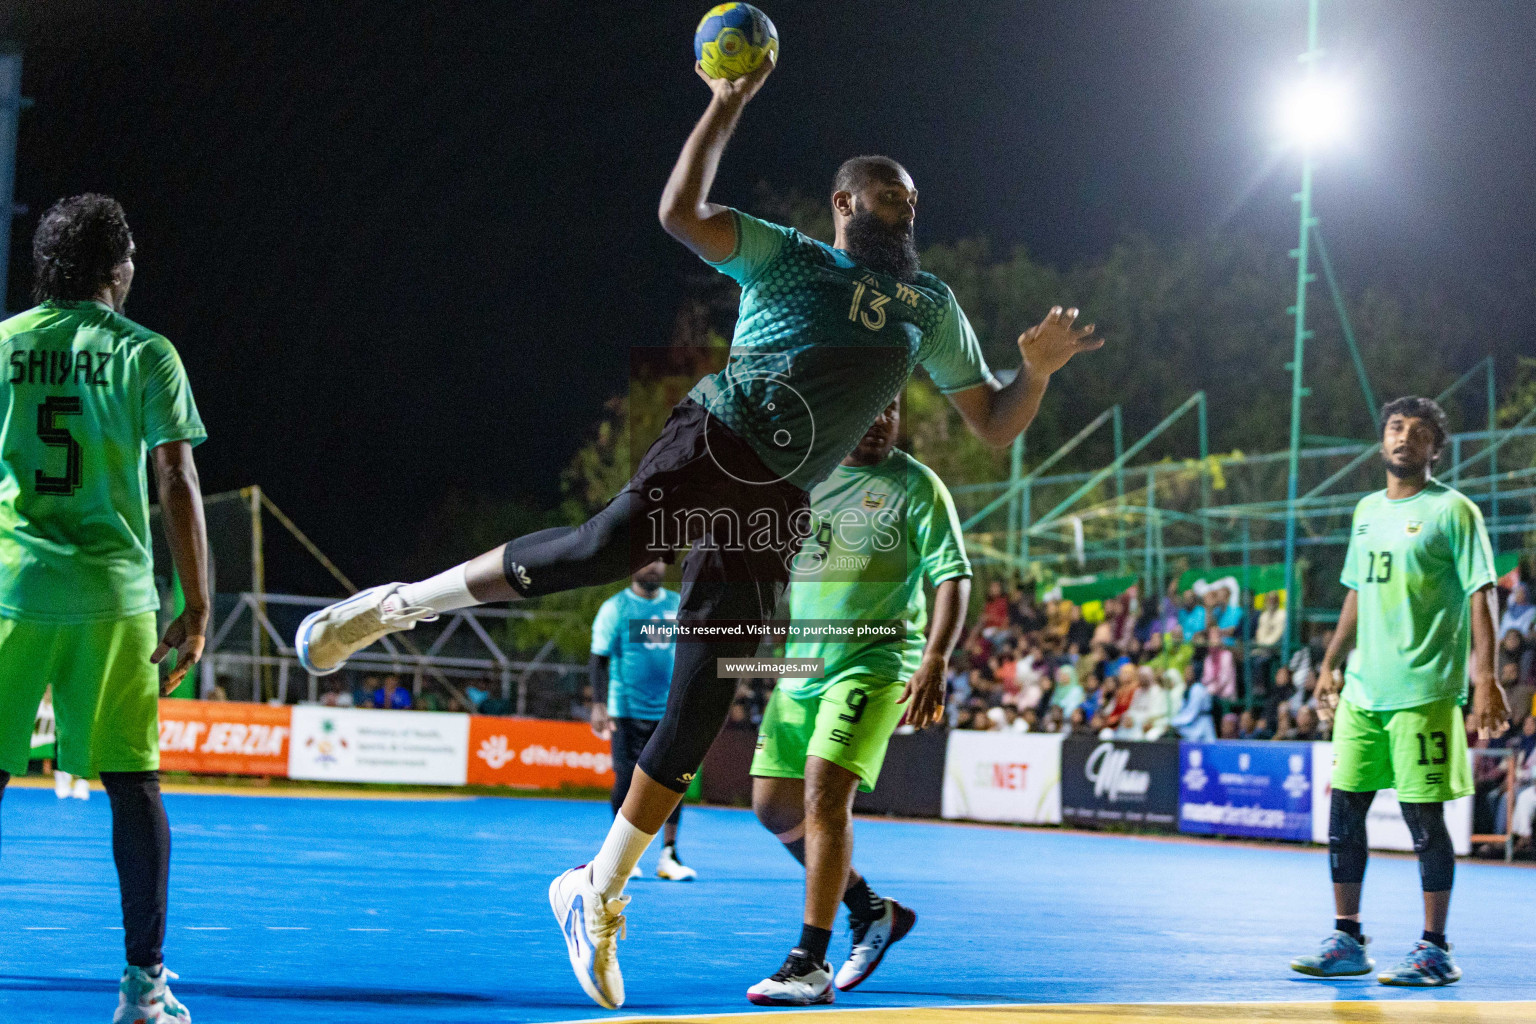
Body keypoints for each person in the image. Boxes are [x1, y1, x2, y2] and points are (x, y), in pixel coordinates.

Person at [291, 56, 1102, 1011]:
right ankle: (390, 609)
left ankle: (597, 888)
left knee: (703, 703)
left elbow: (995, 424)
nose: (902, 212)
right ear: (846, 203)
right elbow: (680, 209)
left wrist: (1037, 372)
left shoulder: (930, 310)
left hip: (777, 500)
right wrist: (723, 107)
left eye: (911, 203)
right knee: (600, 551)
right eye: (887, 197)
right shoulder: (790, 254)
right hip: (721, 433)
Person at [0, 195, 209, 1023]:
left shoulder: (5, 344)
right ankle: (142, 989)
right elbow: (177, 482)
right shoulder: (147, 354)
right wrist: (196, 605)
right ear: (117, 268)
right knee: (133, 787)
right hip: (115, 597)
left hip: (13, 591)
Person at [747, 400, 969, 1004]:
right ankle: (872, 910)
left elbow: (952, 575)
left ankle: (808, 965)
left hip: (876, 662)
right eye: (867, 408)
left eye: (889, 409)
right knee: (772, 806)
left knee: (823, 792)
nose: (878, 420)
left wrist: (938, 657)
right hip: (803, 666)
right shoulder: (807, 477)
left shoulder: (918, 485)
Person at [1291, 396, 1505, 987]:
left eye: (1419, 430)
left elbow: (1481, 592)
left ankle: (1435, 948)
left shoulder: (1454, 511)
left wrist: (1485, 679)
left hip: (1424, 692)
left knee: (1422, 818)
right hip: (1364, 691)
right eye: (1395, 427)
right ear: (1382, 441)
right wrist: (1331, 662)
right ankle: (1347, 937)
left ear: (1436, 448)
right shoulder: (1365, 511)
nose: (1404, 436)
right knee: (1345, 811)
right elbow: (1357, 591)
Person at [588, 559, 695, 882]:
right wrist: (598, 704)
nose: (653, 566)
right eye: (646, 559)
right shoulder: (615, 608)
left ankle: (669, 855)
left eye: (661, 560)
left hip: (669, 710)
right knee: (625, 779)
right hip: (626, 710)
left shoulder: (677, 605)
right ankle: (620, 856)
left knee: (674, 780)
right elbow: (598, 659)